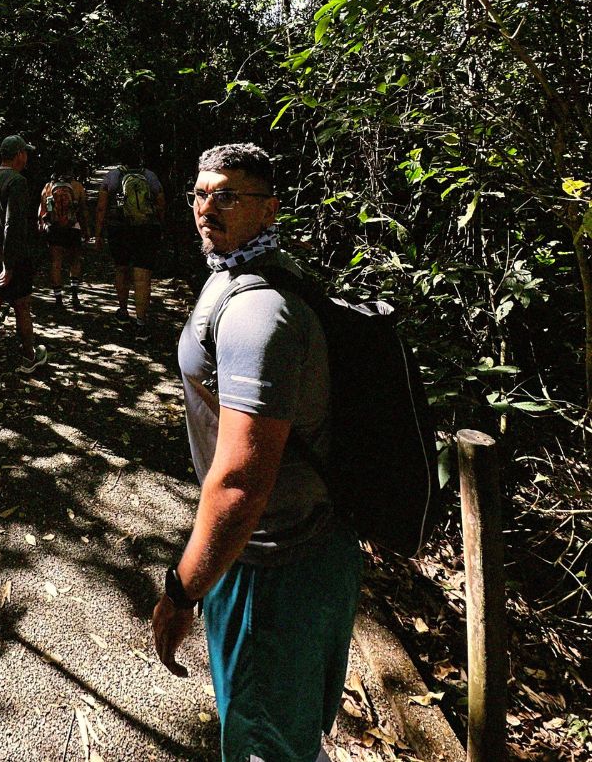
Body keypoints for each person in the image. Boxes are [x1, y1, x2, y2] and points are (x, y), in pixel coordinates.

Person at [151, 142, 361, 762]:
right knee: (283, 731)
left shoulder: (257, 315)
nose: (206, 206)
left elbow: (241, 485)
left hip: (274, 566)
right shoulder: (248, 276)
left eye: (227, 195)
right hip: (294, 548)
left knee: (262, 740)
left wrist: (182, 590)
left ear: (269, 210)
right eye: (199, 192)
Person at [0, 134, 47, 399]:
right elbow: (12, 224)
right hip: (10, 257)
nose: (26, 157)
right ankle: (29, 357)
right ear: (18, 155)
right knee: (22, 306)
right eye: (25, 153)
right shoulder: (18, 181)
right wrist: (10, 265)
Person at [93, 148, 165, 332]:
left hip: (119, 229)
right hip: (146, 230)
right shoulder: (150, 177)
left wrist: (98, 233)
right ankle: (141, 320)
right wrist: (160, 227)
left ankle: (123, 311)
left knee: (121, 269)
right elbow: (161, 204)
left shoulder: (111, 177)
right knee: (142, 276)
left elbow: (101, 208)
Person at [38, 159, 89, 311]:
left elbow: (42, 211)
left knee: (56, 263)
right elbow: (83, 210)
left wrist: (41, 226)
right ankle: (74, 295)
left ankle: (58, 298)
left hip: (54, 229)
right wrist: (87, 230)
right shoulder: (77, 186)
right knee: (74, 261)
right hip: (73, 228)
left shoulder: (48, 187)